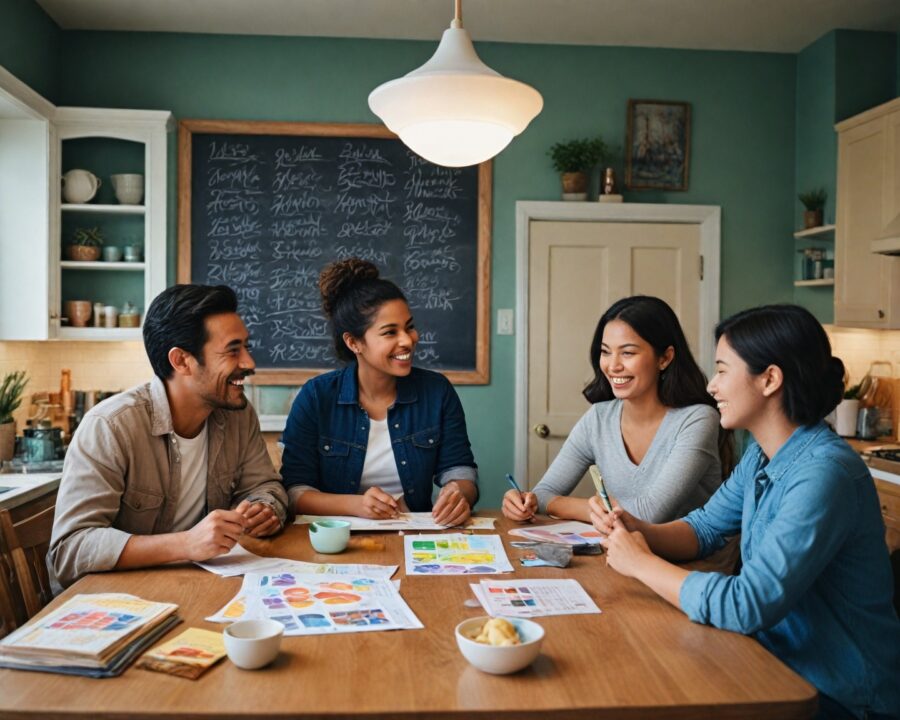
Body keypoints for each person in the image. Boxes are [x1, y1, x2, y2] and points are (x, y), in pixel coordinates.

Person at [590, 304, 900, 720]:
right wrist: (639, 529)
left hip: (837, 695)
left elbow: (747, 604)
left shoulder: (824, 475)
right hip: (772, 662)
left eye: (722, 370)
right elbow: (703, 528)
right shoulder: (762, 456)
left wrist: (641, 563)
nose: (712, 386)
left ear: (770, 379)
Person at [49, 284, 289, 589]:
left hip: (198, 586)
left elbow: (265, 485)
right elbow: (70, 551)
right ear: (181, 361)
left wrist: (263, 507)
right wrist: (186, 544)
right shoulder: (110, 427)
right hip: (114, 600)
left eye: (246, 347)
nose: (249, 363)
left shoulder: (238, 415)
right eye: (233, 350)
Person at [280, 258, 478, 526]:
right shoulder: (316, 396)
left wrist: (458, 492)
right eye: (389, 332)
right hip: (337, 538)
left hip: (414, 535)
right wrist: (356, 505)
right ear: (353, 342)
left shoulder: (437, 391)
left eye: (409, 326)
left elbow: (460, 470)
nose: (408, 340)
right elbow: (294, 493)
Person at [503, 295, 729, 524]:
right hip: (625, 553)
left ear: (665, 358)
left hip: (689, 559)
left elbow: (648, 514)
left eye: (628, 352)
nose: (613, 366)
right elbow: (542, 494)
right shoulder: (598, 418)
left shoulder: (698, 419)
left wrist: (567, 505)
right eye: (605, 351)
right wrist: (524, 502)